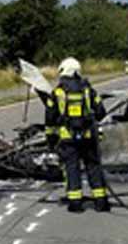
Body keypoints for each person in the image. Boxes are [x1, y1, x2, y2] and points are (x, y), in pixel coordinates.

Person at [45, 57, 109, 213]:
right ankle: (100, 201)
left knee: (72, 169)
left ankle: (75, 203)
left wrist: (51, 139)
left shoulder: (58, 92)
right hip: (88, 137)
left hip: (68, 139)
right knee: (93, 168)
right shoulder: (88, 90)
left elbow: (50, 119)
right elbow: (101, 112)